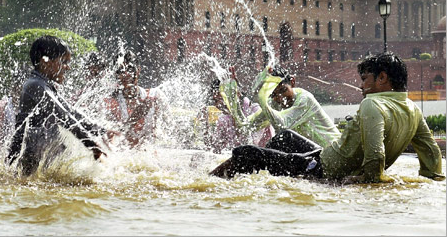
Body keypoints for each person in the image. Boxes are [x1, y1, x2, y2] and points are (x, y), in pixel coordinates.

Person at [210, 52, 445, 184]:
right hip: (325, 156)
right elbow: (432, 154)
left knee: (246, 153)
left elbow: (376, 155)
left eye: (365, 79)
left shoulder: (372, 104)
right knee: (284, 139)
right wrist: (430, 180)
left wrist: (370, 182)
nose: (361, 86)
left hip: (322, 168)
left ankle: (207, 185)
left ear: (382, 78)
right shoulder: (413, 109)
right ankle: (270, 181)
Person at [7, 36, 110, 177]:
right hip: (26, 162)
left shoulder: (45, 85)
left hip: (39, 159)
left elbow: (71, 111)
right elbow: (62, 115)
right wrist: (91, 144)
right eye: (64, 62)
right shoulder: (35, 85)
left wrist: (100, 130)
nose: (67, 67)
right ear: (45, 61)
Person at [104, 50, 169, 148]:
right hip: (126, 159)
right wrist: (131, 122)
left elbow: (171, 132)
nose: (125, 74)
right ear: (116, 74)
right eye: (121, 71)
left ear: (138, 70)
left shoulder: (154, 96)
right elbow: (110, 142)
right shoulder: (110, 103)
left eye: (130, 69)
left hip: (150, 158)